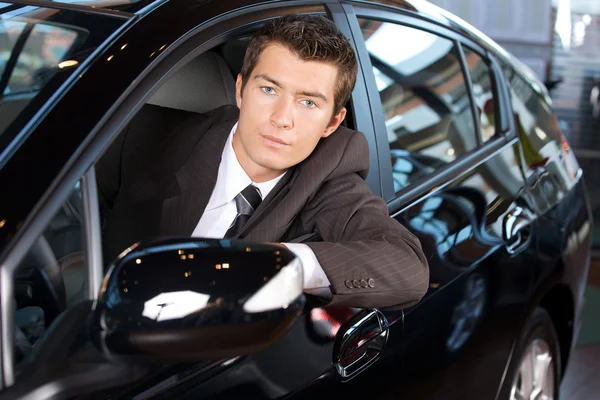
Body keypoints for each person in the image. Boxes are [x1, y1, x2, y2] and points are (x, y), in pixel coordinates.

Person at [97, 15, 429, 308]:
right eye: (269, 89)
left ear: (332, 123)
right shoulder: (145, 136)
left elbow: (406, 267)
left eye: (308, 103)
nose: (282, 119)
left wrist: (271, 265)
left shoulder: (328, 177)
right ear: (241, 90)